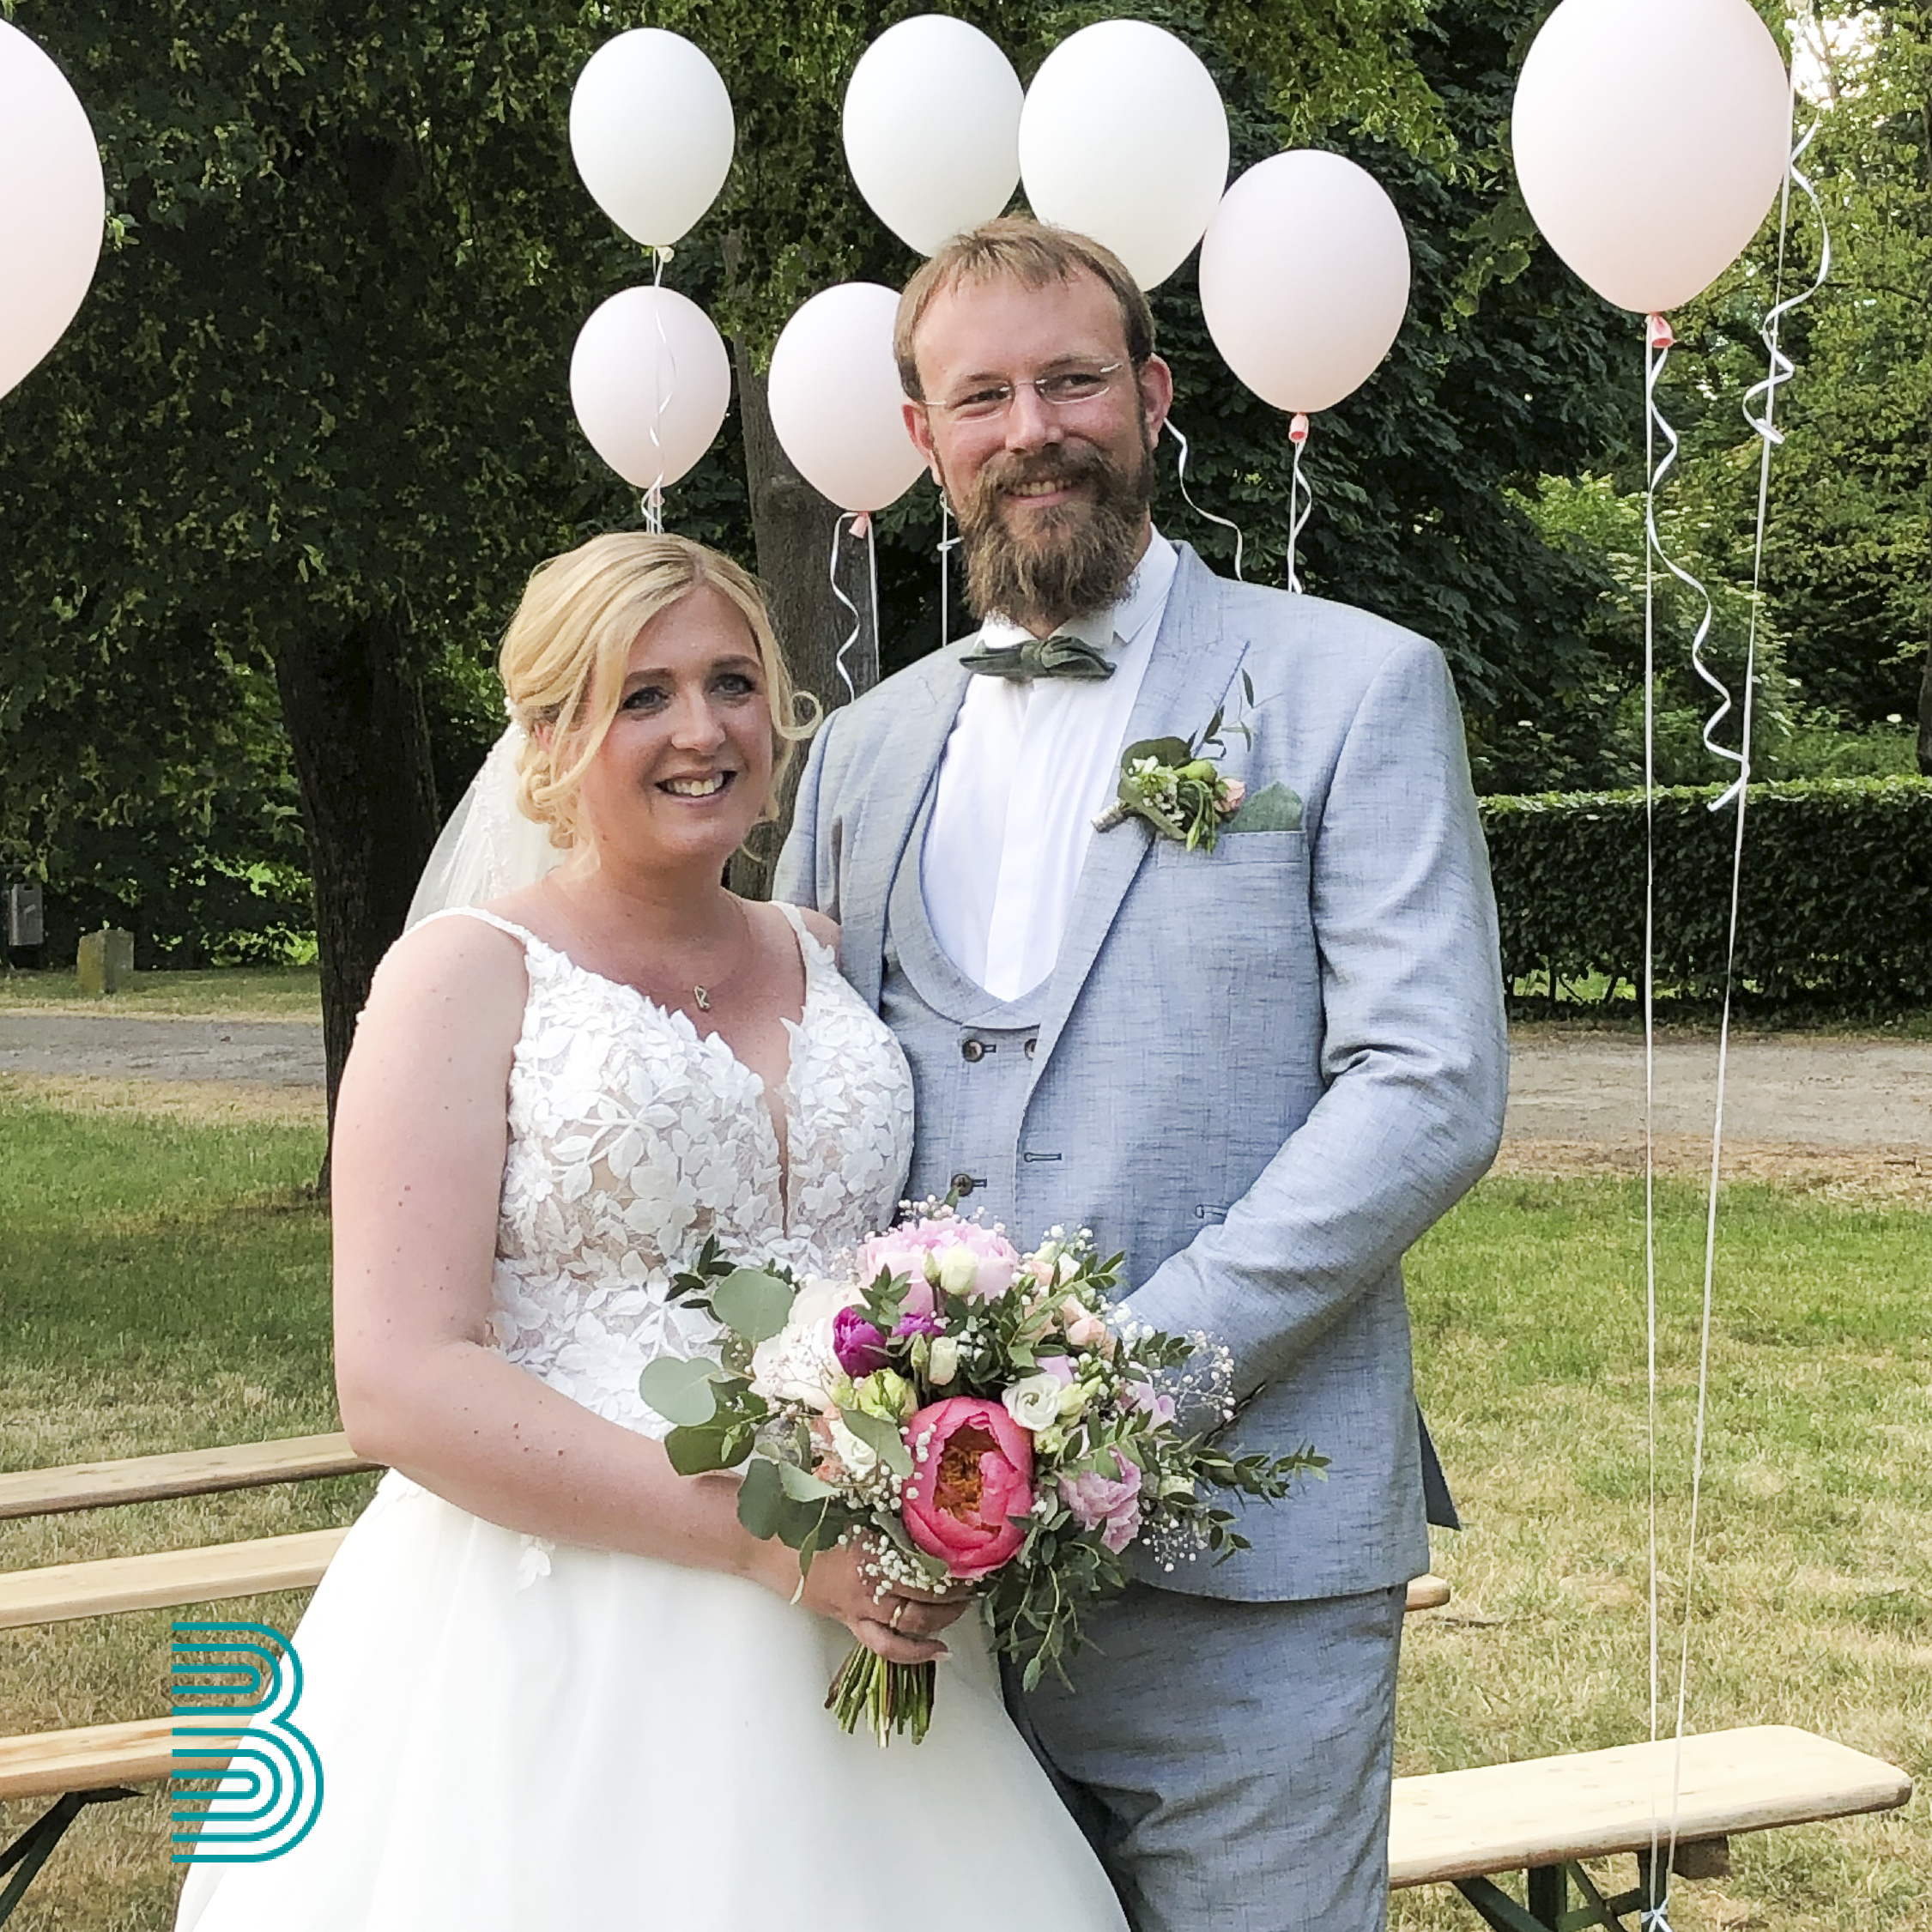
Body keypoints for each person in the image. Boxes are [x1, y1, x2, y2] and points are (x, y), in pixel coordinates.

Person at [175, 532, 1128, 1932]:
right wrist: (756, 1539)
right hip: (565, 1609)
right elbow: (395, 1378)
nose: (703, 729)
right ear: (551, 735)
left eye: (734, 682)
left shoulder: (822, 947)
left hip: (864, 1599)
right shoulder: (465, 976)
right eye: (643, 694)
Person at [774, 219, 1510, 1932]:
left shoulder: (1354, 688)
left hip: (1244, 1583)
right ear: (925, 438)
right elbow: (808, 1109)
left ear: (1154, 398)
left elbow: (1427, 1088)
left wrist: (1121, 1385)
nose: (1033, 424)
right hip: (919, 1587)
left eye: (1074, 378)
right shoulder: (861, 754)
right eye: (984, 394)